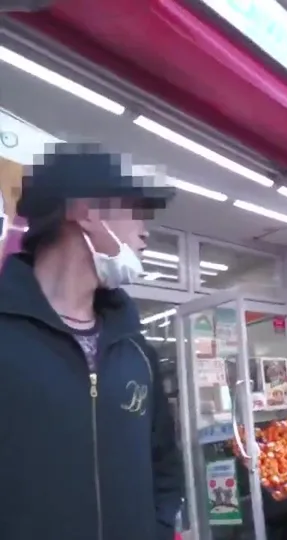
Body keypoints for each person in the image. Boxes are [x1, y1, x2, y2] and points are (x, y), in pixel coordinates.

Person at [0, 144, 184, 539]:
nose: (145, 231)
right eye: (135, 211)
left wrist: (158, 526)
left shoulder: (135, 351)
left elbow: (163, 466)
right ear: (86, 212)